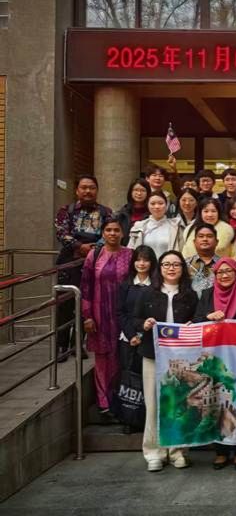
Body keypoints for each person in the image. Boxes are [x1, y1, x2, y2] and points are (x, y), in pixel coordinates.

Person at [193, 257, 236, 471]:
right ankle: (221, 451)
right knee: (216, 403)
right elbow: (197, 321)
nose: (224, 275)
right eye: (220, 272)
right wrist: (208, 317)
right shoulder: (207, 295)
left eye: (228, 271)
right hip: (215, 359)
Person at [133, 250, 198, 472]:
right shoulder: (147, 293)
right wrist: (144, 324)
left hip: (181, 357)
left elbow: (197, 319)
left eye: (176, 264)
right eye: (166, 264)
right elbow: (134, 318)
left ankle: (178, 451)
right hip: (153, 355)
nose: (171, 268)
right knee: (153, 405)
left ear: (183, 269)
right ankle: (154, 453)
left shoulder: (190, 295)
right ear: (159, 268)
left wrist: (192, 325)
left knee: (180, 404)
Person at [55, 175, 113, 361]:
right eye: (84, 187)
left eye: (92, 187)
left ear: (97, 190)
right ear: (77, 190)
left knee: (86, 305)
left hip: (95, 263)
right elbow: (61, 233)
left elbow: (109, 233)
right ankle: (61, 346)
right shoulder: (66, 211)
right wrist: (80, 247)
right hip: (69, 264)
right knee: (64, 305)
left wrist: (94, 249)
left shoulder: (106, 212)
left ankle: (77, 344)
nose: (88, 191)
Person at [80, 218, 133, 414]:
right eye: (108, 230)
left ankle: (122, 400)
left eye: (116, 230)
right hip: (99, 314)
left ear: (122, 233)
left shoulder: (130, 255)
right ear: (103, 233)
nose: (112, 233)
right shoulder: (94, 255)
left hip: (123, 313)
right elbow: (86, 286)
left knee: (122, 355)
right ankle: (104, 402)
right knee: (102, 358)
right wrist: (87, 316)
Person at [116, 245, 157, 434]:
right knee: (129, 379)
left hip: (148, 339)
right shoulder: (125, 285)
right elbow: (120, 312)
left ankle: (148, 419)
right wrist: (132, 335)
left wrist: (141, 335)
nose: (141, 263)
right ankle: (129, 419)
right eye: (138, 259)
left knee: (148, 381)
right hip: (128, 338)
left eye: (146, 260)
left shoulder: (156, 285)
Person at [127, 191, 184, 258]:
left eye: (160, 203)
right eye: (152, 204)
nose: (157, 206)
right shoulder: (139, 227)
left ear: (166, 205)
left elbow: (182, 250)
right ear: (148, 205)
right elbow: (130, 251)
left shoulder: (176, 225)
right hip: (145, 264)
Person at [185, 223, 220, 297]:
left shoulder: (224, 265)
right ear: (194, 242)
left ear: (217, 242)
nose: (205, 239)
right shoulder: (185, 264)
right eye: (201, 236)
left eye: (209, 236)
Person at [116, 178, 151, 246]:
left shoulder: (152, 213)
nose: (139, 193)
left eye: (143, 190)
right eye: (136, 190)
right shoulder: (122, 213)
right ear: (130, 192)